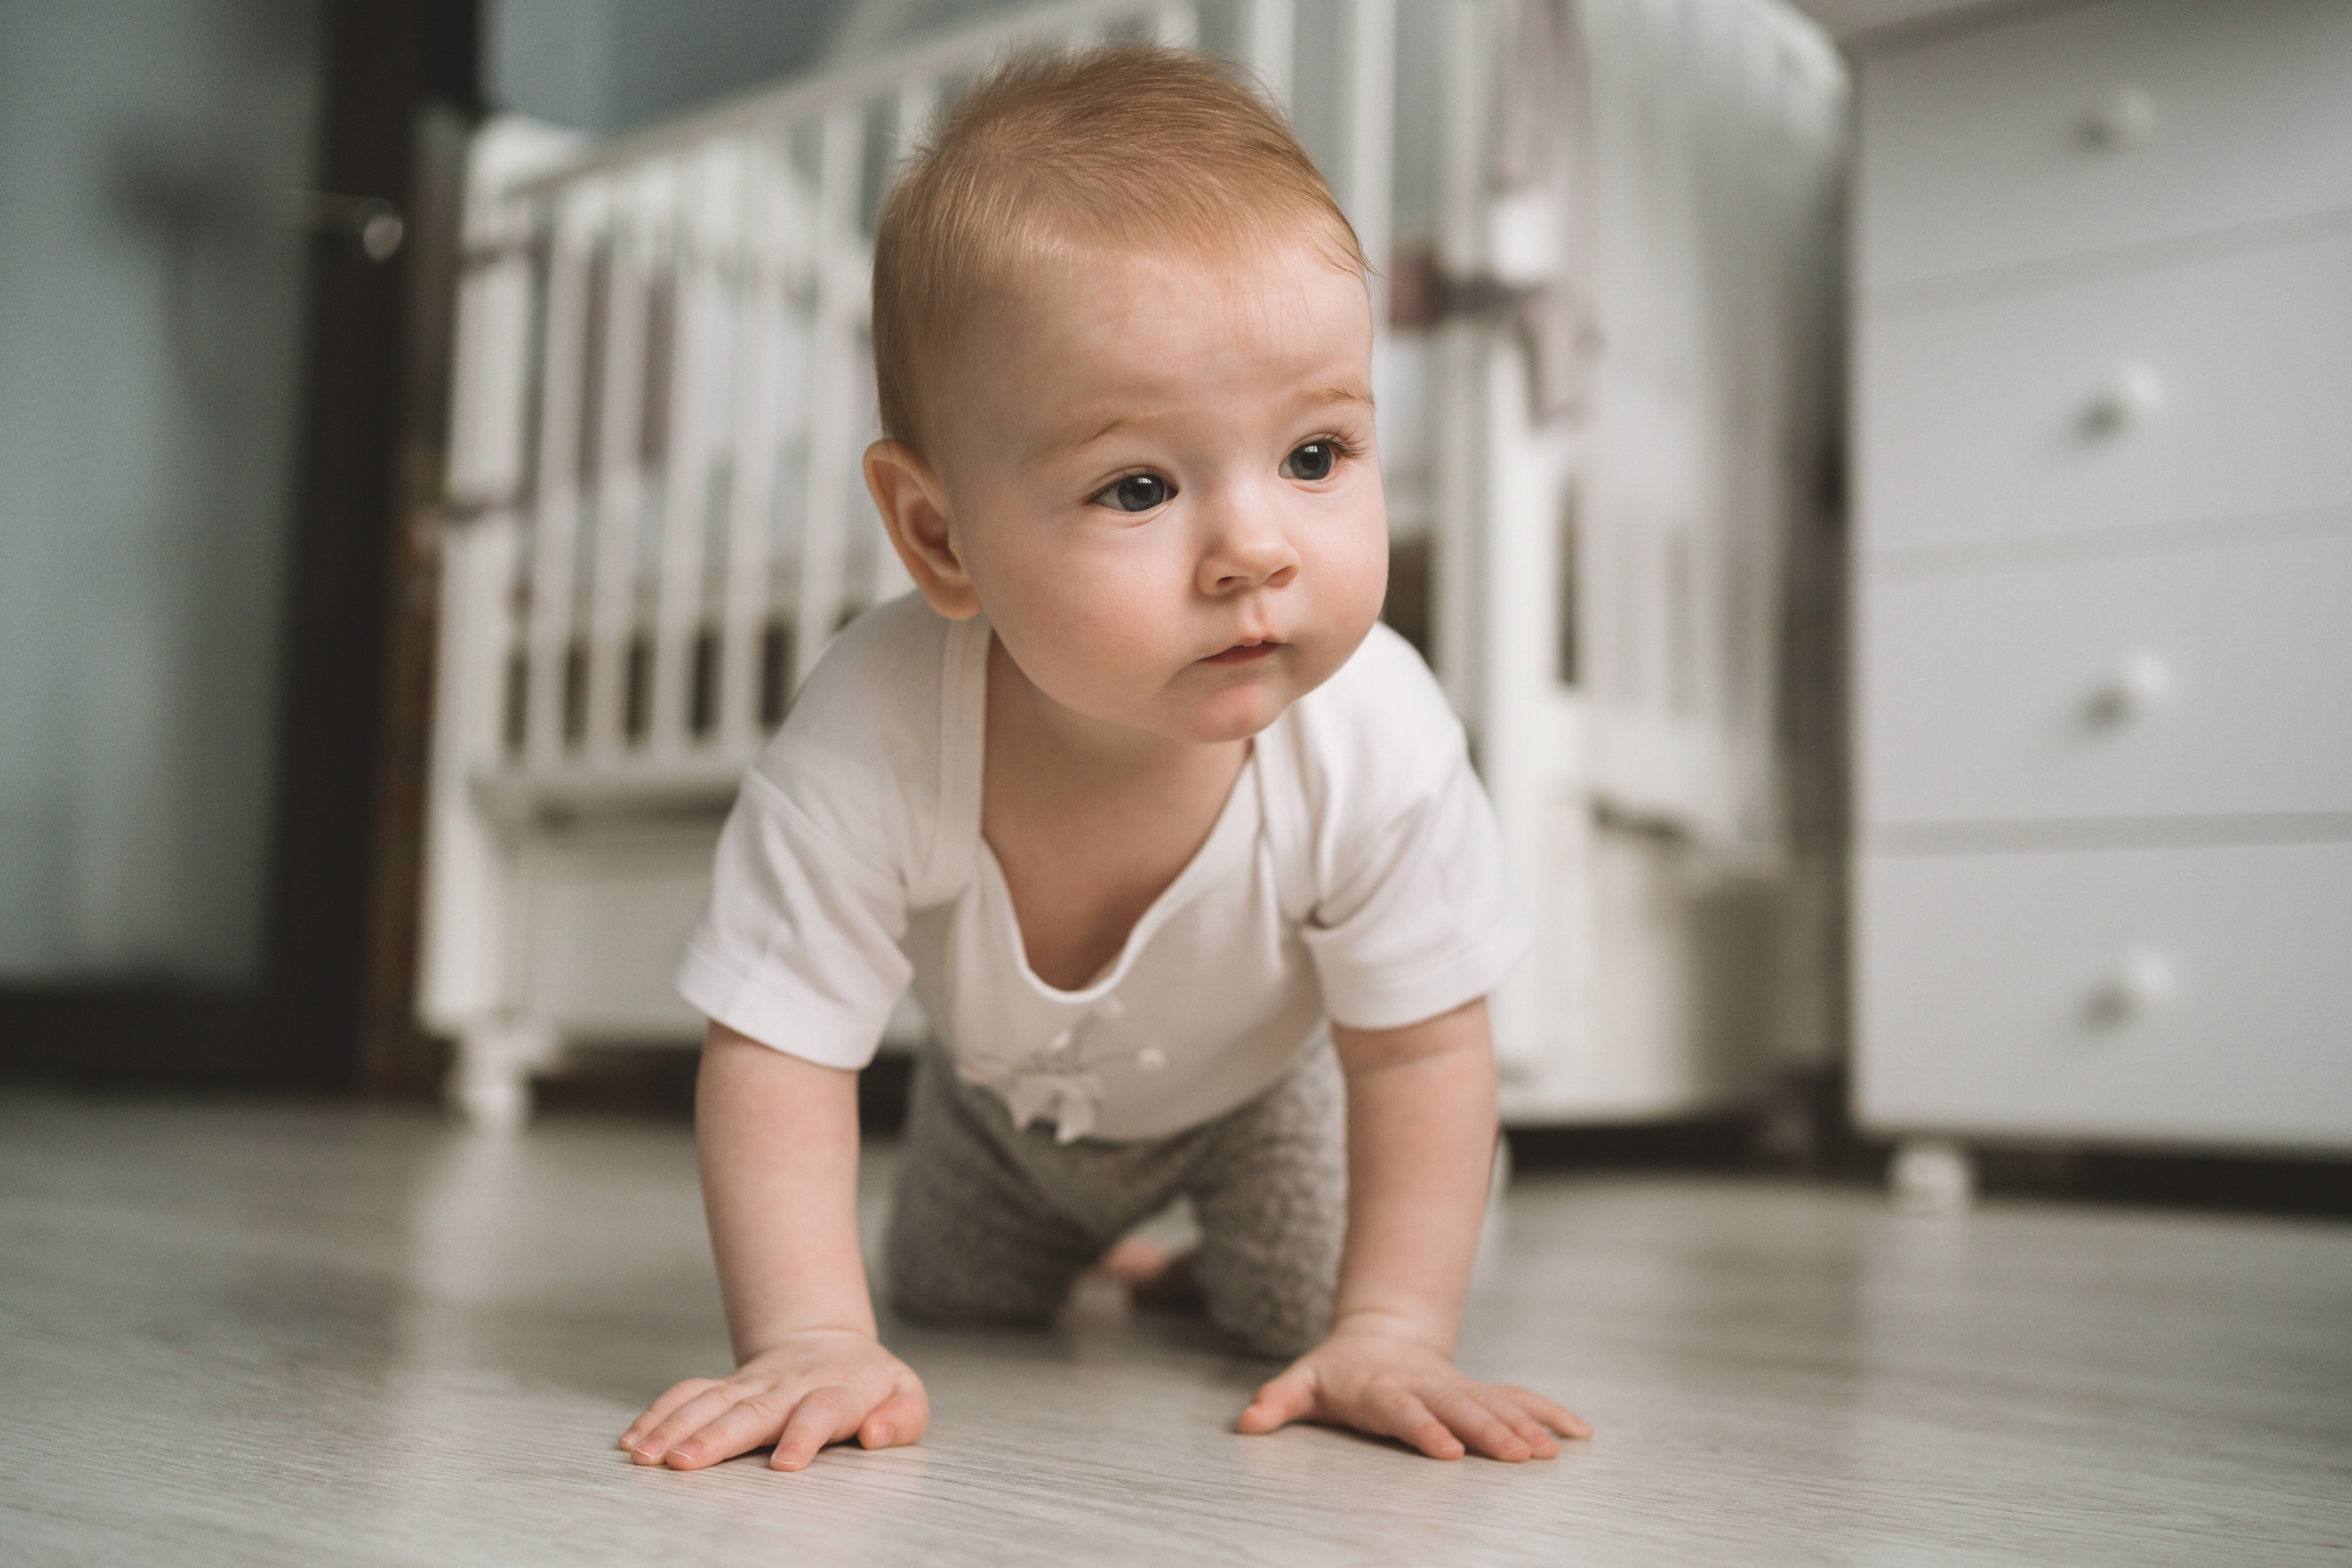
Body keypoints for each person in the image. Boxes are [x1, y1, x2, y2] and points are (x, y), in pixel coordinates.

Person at [619, 43, 1589, 1475]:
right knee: (942, 1298)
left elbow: (1425, 1046)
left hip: (1275, 1103)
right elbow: (778, 1042)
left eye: (1317, 456)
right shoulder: (876, 724)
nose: (1256, 548)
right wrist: (807, 1336)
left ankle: (1250, 1255)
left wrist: (1395, 1329)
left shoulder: (1375, 732)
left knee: (1302, 1316)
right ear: (940, 536)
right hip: (1000, 1112)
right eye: (1139, 486)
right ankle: (1098, 1242)